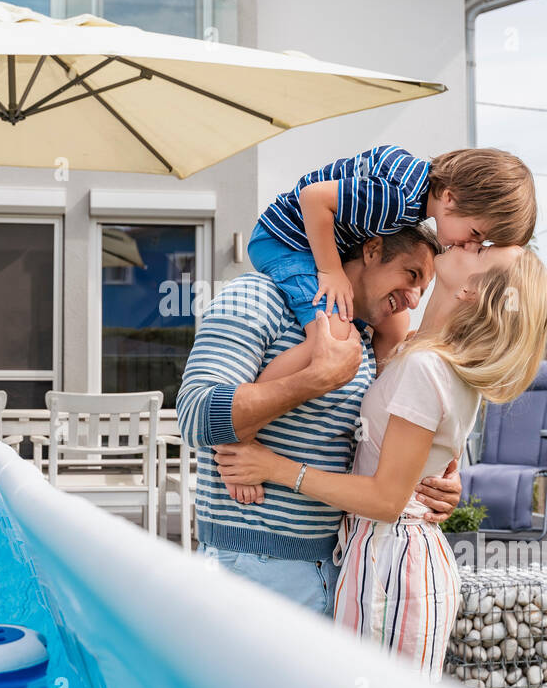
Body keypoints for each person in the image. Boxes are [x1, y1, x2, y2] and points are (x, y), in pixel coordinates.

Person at [213, 244, 547, 678]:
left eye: (482, 252)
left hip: (393, 560)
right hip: (382, 551)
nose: (469, 243)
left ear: (472, 290)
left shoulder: (427, 366)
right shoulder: (421, 354)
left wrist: (275, 467)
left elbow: (387, 499)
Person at [174, 223, 463, 617]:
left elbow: (377, 441)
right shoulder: (254, 297)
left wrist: (433, 480)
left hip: (342, 564)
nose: (412, 299)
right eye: (411, 276)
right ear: (372, 250)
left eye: (422, 290)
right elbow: (194, 417)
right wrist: (315, 379)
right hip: (254, 568)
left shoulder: (365, 336)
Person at [223, 145, 536, 503]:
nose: (468, 243)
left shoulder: (416, 349)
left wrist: (428, 468)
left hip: (336, 538)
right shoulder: (398, 200)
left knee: (382, 329)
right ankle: (240, 436)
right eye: (477, 236)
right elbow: (314, 199)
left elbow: (394, 419)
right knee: (334, 337)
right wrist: (331, 271)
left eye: (480, 244)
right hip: (287, 242)